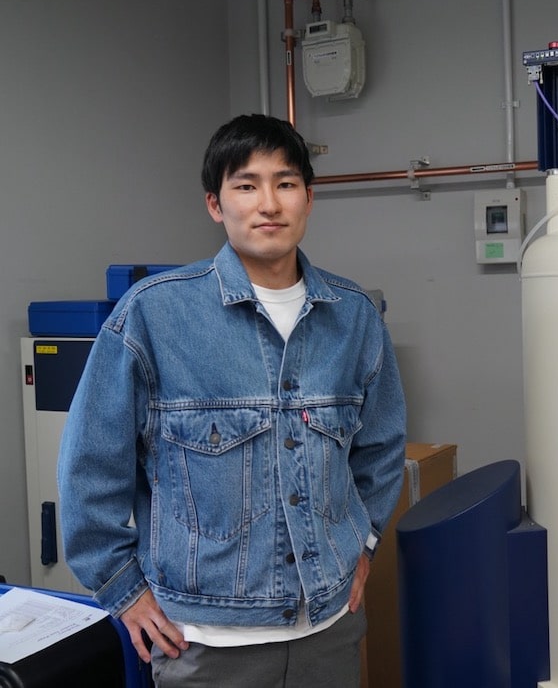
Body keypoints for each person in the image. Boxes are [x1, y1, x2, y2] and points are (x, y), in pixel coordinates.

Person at [57, 114, 407, 687]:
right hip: (206, 645)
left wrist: (363, 545)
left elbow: (382, 447)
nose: (268, 203)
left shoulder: (355, 318)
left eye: (285, 183)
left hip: (330, 630)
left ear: (308, 198)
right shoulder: (152, 316)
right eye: (246, 185)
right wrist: (122, 590)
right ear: (215, 205)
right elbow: (89, 468)